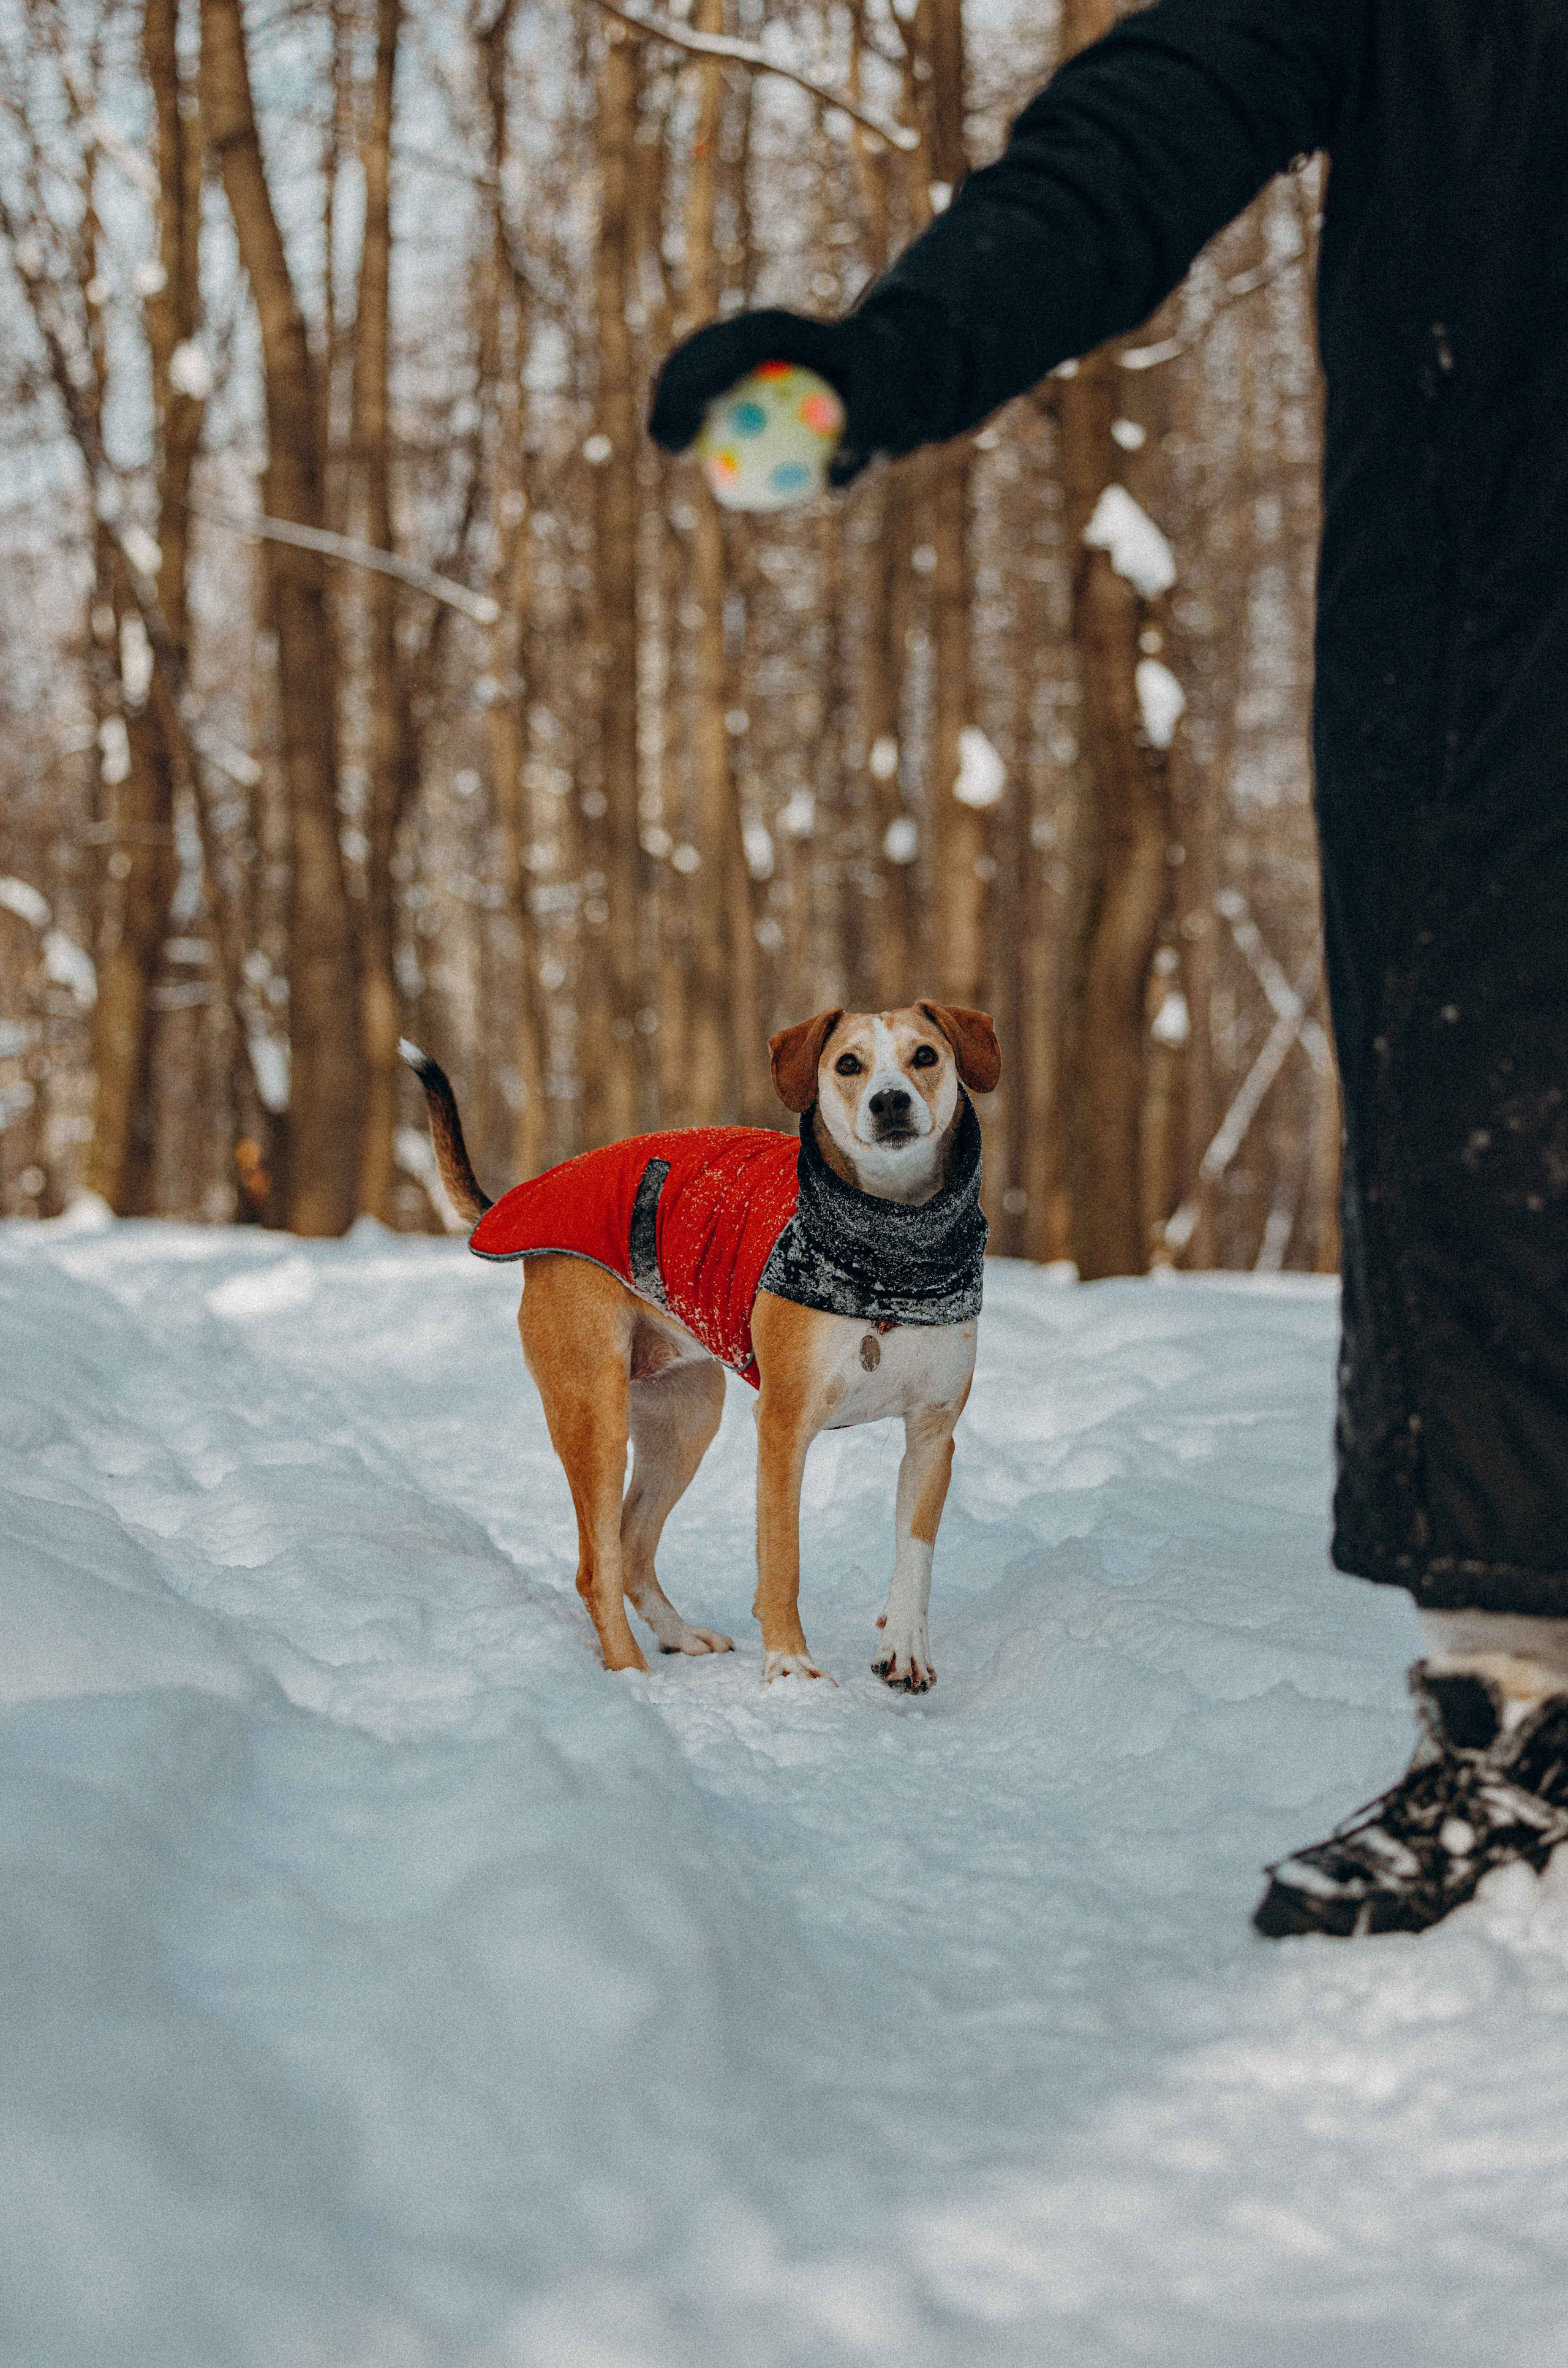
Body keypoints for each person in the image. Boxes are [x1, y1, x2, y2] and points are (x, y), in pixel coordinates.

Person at [649, 0, 1568, 1937]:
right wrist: (885, 355)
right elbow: (1137, 137)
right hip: (1497, 639)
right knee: (1489, 1124)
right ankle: (1522, 1726)